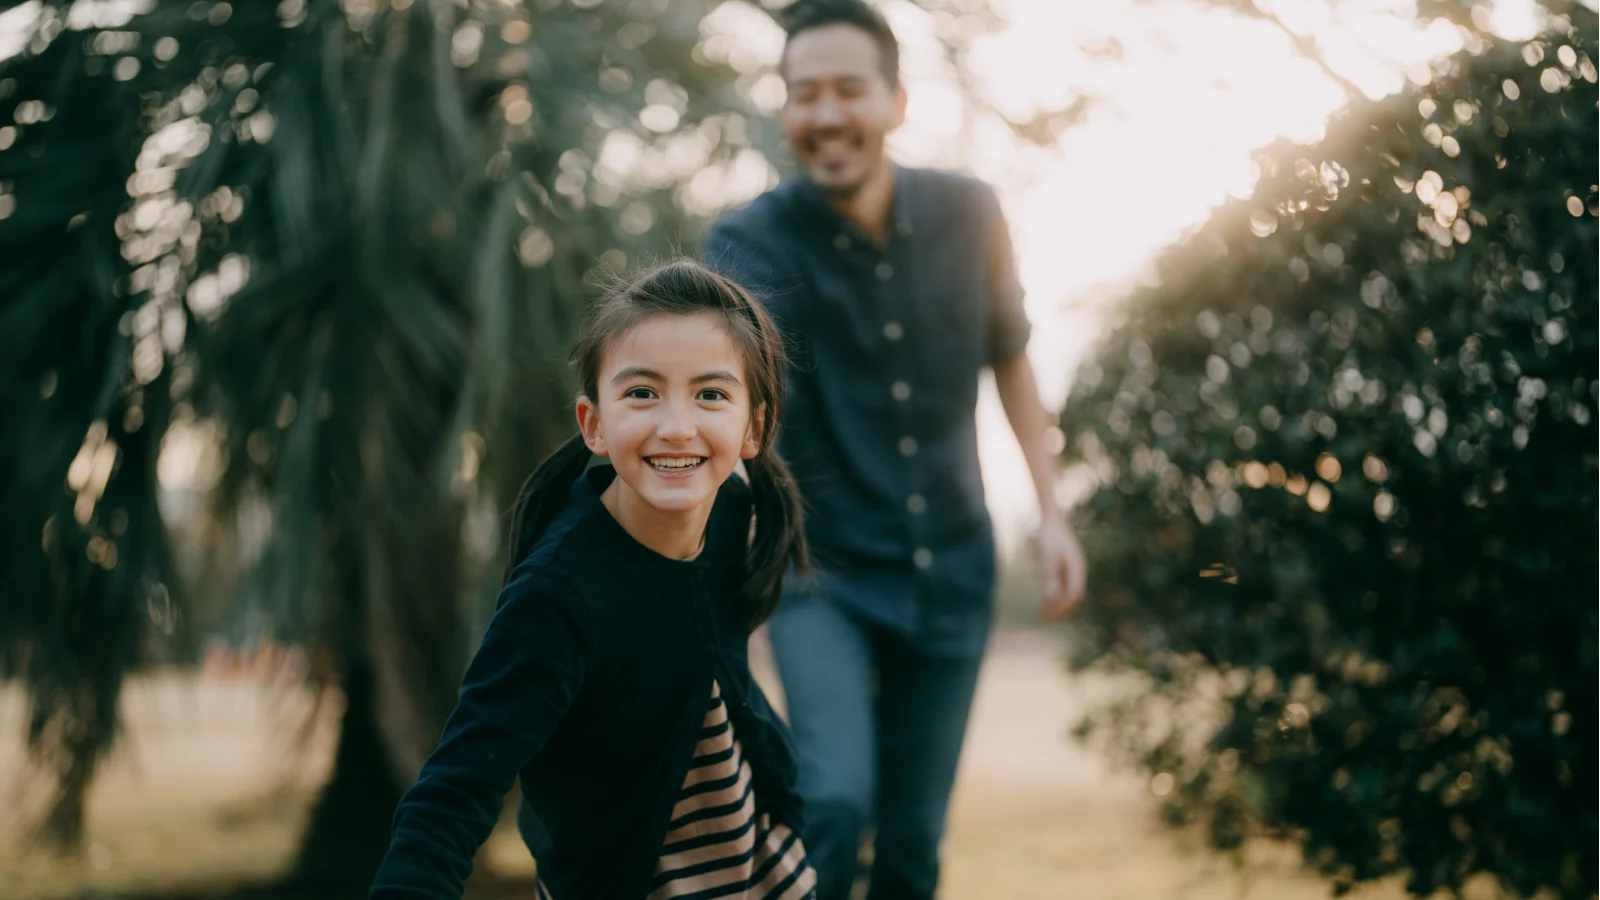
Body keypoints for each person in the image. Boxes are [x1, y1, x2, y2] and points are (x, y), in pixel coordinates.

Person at [704, 1, 1089, 897]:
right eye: (804, 94)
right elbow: (732, 386)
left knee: (913, 847)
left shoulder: (971, 212)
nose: (826, 114)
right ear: (784, 109)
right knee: (832, 803)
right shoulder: (748, 241)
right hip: (819, 576)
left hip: (953, 568)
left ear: (897, 102)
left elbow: (1012, 360)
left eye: (848, 89)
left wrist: (1054, 514)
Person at [369, 261, 818, 899]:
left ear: (755, 428)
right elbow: (455, 792)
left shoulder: (731, 519)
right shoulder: (558, 596)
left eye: (710, 394)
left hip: (765, 874)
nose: (676, 425)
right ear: (593, 424)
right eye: (642, 392)